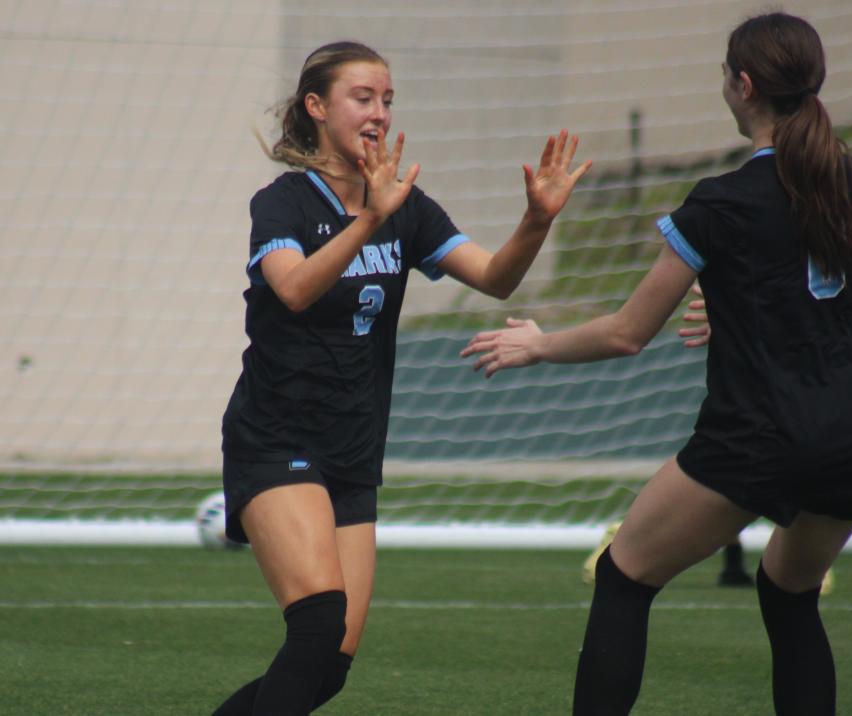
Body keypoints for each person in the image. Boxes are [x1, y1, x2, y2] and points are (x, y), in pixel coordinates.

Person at [462, 12, 852, 714]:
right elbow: (836, 306)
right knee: (790, 597)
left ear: (742, 85)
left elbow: (629, 333)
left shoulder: (721, 203)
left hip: (766, 432)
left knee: (624, 575)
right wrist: (733, 310)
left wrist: (536, 342)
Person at [212, 41, 591, 715]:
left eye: (387, 100)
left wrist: (537, 220)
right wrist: (369, 220)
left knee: (329, 669)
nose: (379, 113)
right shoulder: (284, 203)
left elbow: (497, 279)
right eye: (363, 98)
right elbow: (294, 289)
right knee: (319, 622)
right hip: (275, 437)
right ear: (317, 106)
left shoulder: (407, 207)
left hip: (352, 448)